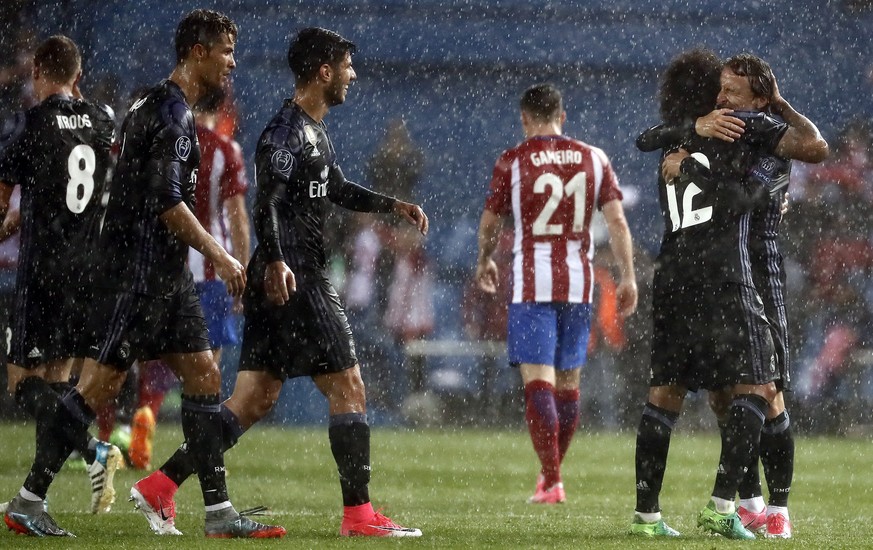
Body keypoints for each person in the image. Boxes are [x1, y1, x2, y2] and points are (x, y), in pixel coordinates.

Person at [131, 27, 428, 538]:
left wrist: (391, 205)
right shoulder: (284, 132)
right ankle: (359, 516)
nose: (353, 75)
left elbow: (333, 186)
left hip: (282, 281)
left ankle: (161, 485)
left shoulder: (314, 130)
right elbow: (265, 199)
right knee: (350, 387)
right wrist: (275, 263)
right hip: (298, 278)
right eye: (346, 66)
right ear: (323, 71)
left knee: (252, 401)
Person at [4, 10, 287, 539]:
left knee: (203, 376)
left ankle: (218, 513)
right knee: (98, 386)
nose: (232, 62)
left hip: (164, 275)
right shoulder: (173, 115)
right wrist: (221, 255)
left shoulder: (146, 102)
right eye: (225, 52)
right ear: (198, 52)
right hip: (139, 273)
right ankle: (27, 499)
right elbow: (165, 203)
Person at [629, 50, 827, 539]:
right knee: (728, 393)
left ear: (759, 99)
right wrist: (694, 132)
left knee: (769, 389)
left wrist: (690, 157)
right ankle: (746, 502)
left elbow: (812, 149)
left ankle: (774, 508)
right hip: (722, 272)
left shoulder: (761, 133)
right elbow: (651, 139)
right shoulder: (706, 132)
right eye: (718, 89)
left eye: (732, 91)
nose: (723, 98)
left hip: (757, 269)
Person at [476, 83, 637, 505]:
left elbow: (491, 220)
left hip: (532, 283)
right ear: (562, 117)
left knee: (539, 385)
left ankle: (551, 479)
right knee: (568, 386)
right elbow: (617, 223)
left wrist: (484, 258)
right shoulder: (593, 157)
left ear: (525, 119)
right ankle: (551, 479)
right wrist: (628, 277)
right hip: (579, 283)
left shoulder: (513, 160)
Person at [0, 35, 123, 534]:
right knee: (57, 384)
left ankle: (95, 449)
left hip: (43, 271)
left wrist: (11, 220)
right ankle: (34, 501)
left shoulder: (30, 123)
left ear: (37, 72)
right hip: (88, 272)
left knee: (20, 383)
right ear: (79, 75)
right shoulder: (103, 120)